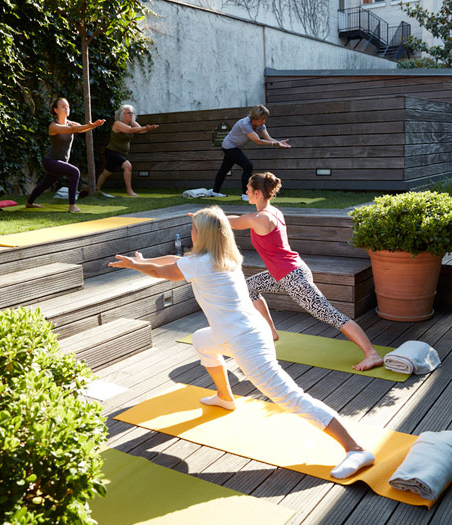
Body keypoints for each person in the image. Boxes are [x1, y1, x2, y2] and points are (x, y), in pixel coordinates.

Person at [108, 206, 376, 479]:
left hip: (246, 342)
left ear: (202, 234)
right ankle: (225, 397)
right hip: (240, 332)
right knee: (202, 340)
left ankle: (355, 449)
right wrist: (144, 259)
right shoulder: (221, 256)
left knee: (291, 398)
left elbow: (161, 272)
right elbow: (172, 260)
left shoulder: (200, 263)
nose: (191, 232)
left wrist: (136, 265)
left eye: (194, 228)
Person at [222, 172, 384, 371]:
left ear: (256, 193)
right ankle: (271, 332)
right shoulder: (274, 212)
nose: (245, 192)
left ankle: (372, 354)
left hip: (293, 277)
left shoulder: (259, 218)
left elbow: (234, 222)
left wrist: (207, 217)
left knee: (330, 315)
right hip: (284, 273)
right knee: (249, 288)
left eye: (247, 189)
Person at [26, 97, 105, 213]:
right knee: (75, 172)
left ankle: (29, 203)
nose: (66, 108)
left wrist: (91, 126)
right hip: (50, 161)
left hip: (60, 162)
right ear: (56, 110)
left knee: (45, 184)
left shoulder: (70, 123)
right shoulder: (53, 126)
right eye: (63, 106)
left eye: (67, 106)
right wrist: (91, 126)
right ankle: (72, 206)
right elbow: (72, 129)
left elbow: (79, 128)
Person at [210, 105, 291, 201]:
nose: (264, 121)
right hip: (229, 146)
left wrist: (279, 142)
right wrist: (276, 143)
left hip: (235, 147)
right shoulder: (245, 123)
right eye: (263, 119)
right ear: (255, 118)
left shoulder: (260, 124)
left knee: (224, 169)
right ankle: (245, 194)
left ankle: (215, 192)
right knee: (248, 166)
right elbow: (257, 141)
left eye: (265, 119)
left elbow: (268, 138)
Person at [95, 104, 158, 198]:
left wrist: (148, 128)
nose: (131, 115)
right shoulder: (118, 123)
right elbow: (130, 130)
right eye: (128, 113)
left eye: (132, 113)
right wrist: (145, 128)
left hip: (120, 153)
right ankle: (129, 191)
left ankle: (96, 189)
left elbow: (141, 130)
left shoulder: (132, 122)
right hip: (112, 151)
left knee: (107, 172)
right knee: (128, 166)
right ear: (122, 114)